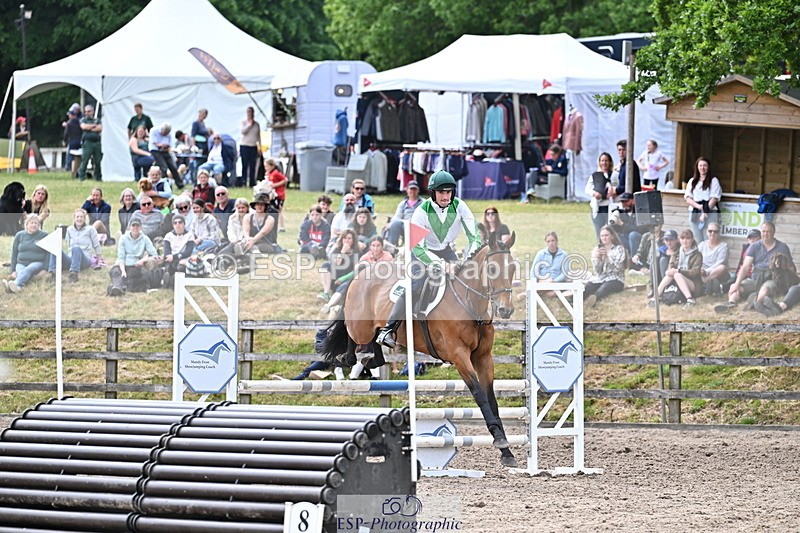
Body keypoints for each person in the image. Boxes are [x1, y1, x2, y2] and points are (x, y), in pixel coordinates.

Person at [377, 170, 480, 348]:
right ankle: (388, 329)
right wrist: (442, 266)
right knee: (416, 283)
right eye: (441, 192)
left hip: (446, 250)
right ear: (433, 193)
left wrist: (467, 260)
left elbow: (474, 238)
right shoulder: (420, 212)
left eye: (448, 192)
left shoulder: (461, 206)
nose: (445, 196)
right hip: (419, 252)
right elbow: (419, 248)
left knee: (467, 278)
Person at [716, 221, 795, 313]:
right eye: (763, 231)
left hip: (772, 279)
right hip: (755, 279)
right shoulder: (754, 246)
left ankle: (757, 304)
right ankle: (731, 303)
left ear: (773, 232)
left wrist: (786, 272)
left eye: (768, 231)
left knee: (764, 289)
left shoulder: (782, 247)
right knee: (736, 286)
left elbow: (792, 268)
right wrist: (737, 283)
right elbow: (745, 266)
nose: (765, 234)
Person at [650, 229, 703, 309]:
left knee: (677, 274)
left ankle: (690, 299)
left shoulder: (697, 255)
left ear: (692, 240)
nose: (685, 241)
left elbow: (695, 272)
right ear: (679, 240)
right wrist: (670, 271)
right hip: (677, 281)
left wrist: (678, 271)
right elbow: (670, 267)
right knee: (670, 275)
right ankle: (655, 298)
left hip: (694, 284)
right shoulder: (676, 253)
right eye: (682, 238)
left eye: (688, 238)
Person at [48, 208, 102, 283]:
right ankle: (53, 273)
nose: (79, 219)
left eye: (81, 217)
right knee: (55, 248)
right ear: (74, 218)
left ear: (84, 219)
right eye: (77, 217)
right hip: (71, 258)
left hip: (85, 259)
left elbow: (96, 245)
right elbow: (68, 245)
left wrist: (99, 260)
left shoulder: (90, 229)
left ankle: (74, 274)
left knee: (76, 248)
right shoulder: (69, 229)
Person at [107, 219, 159, 297]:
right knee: (115, 272)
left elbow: (153, 253)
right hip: (121, 264)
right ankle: (117, 288)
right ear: (129, 227)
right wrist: (123, 270)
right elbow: (121, 257)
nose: (135, 228)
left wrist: (143, 260)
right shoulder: (123, 238)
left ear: (141, 227)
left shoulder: (145, 239)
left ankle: (116, 288)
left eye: (137, 226)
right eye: (133, 226)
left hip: (134, 265)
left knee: (131, 275)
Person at [3, 214, 48, 294]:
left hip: (37, 262)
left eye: (36, 223)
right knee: (21, 272)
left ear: (39, 225)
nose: (34, 225)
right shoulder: (19, 235)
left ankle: (16, 284)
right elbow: (14, 253)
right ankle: (18, 287)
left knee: (28, 269)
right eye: (32, 223)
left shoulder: (43, 235)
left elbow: (49, 253)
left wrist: (45, 269)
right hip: (21, 263)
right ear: (26, 224)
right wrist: (13, 270)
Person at [583, 225, 626, 308]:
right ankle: (571, 302)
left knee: (604, 288)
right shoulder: (596, 250)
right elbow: (597, 271)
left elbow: (618, 267)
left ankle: (593, 301)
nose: (604, 238)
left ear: (612, 236)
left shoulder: (619, 249)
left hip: (616, 279)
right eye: (602, 236)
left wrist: (607, 257)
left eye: (606, 235)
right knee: (588, 287)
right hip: (600, 278)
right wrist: (598, 259)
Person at [684, 157, 722, 243]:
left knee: (709, 239)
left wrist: (704, 213)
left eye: (705, 165)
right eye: (700, 165)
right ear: (697, 167)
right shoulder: (692, 181)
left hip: (710, 212)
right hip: (695, 211)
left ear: (708, 167)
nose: (702, 168)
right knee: (697, 239)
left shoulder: (713, 180)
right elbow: (688, 198)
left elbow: (714, 198)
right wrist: (699, 207)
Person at [319, 229, 362, 303]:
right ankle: (326, 292)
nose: (347, 241)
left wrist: (343, 279)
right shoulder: (337, 250)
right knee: (325, 265)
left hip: (347, 279)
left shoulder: (358, 252)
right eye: (345, 238)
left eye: (349, 238)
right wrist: (342, 252)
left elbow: (357, 270)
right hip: (335, 277)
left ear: (353, 240)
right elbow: (336, 264)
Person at [585, 152, 617, 238]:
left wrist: (613, 191)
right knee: (599, 231)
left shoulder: (614, 175)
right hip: (598, 207)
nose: (604, 163)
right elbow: (587, 189)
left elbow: (618, 187)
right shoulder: (595, 175)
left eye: (606, 161)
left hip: (609, 206)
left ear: (610, 162)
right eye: (602, 161)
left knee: (611, 230)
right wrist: (594, 193)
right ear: (599, 162)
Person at [530, 231, 569, 298]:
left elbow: (564, 273)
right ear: (546, 243)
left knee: (553, 293)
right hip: (542, 280)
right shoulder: (540, 254)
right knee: (549, 292)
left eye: (553, 241)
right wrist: (534, 282)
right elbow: (534, 271)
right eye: (548, 241)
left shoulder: (564, 255)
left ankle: (532, 294)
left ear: (557, 241)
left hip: (556, 281)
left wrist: (554, 281)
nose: (551, 243)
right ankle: (536, 292)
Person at [162, 214, 196, 287]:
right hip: (171, 259)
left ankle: (175, 282)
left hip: (183, 259)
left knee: (180, 267)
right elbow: (166, 252)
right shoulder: (168, 236)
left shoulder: (189, 235)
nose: (178, 225)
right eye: (175, 223)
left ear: (184, 224)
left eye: (180, 222)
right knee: (168, 268)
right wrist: (171, 258)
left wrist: (174, 257)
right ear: (173, 225)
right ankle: (168, 282)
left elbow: (188, 252)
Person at [385, 181, 422, 247]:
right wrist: (391, 224)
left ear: (418, 190)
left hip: (418, 225)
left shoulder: (424, 203)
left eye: (415, 189)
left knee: (409, 226)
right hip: (404, 224)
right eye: (411, 189)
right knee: (395, 223)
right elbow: (397, 216)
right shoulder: (403, 203)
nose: (413, 191)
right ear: (407, 190)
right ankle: (391, 248)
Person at [149, 123, 184, 188]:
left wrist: (166, 146)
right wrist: (162, 145)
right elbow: (154, 143)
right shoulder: (154, 131)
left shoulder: (169, 134)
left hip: (165, 151)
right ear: (162, 130)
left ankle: (180, 184)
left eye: (166, 134)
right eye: (164, 133)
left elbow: (170, 144)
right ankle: (165, 185)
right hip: (156, 151)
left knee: (173, 167)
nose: (165, 135)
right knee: (163, 167)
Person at [698, 222, 729, 296]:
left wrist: (706, 271)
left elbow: (719, 263)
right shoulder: (701, 245)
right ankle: (710, 285)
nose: (712, 233)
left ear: (719, 233)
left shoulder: (724, 246)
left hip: (716, 272)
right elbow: (697, 260)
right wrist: (700, 270)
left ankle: (702, 284)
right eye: (710, 231)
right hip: (702, 271)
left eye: (715, 231)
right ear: (706, 232)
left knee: (722, 267)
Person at [77, 105, 102, 182]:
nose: (87, 113)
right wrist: (94, 126)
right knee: (85, 160)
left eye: (89, 111)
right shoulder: (83, 120)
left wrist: (90, 128)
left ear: (93, 111)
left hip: (97, 143)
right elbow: (84, 127)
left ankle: (98, 176)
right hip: (87, 143)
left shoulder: (97, 120)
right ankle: (81, 176)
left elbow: (100, 128)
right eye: (86, 111)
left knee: (97, 161)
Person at [264, 158, 288, 231]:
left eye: (267, 166)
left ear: (272, 166)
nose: (266, 168)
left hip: (279, 195)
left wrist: (275, 185)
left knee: (278, 210)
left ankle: (281, 226)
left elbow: (285, 180)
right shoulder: (269, 174)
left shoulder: (276, 173)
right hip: (273, 195)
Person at [240, 107, 261, 187]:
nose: (250, 114)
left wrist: (259, 147)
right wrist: (249, 125)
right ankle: (243, 182)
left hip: (253, 146)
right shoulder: (243, 122)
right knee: (244, 165)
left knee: (253, 165)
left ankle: (252, 182)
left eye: (251, 112)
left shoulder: (257, 124)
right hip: (245, 145)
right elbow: (243, 131)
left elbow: (258, 136)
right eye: (249, 112)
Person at [63, 109, 82, 174]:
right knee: (79, 156)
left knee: (70, 155)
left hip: (72, 141)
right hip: (79, 141)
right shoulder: (80, 122)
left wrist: (64, 141)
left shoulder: (69, 123)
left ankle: (69, 167)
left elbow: (66, 133)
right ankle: (78, 168)